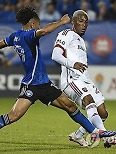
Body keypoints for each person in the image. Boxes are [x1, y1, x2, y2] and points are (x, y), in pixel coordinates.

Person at [0, 7, 116, 149]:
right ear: (32, 24)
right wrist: (61, 22)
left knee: (70, 106)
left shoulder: (15, 36)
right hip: (32, 85)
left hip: (45, 84)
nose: (39, 26)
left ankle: (97, 132)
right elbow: (43, 31)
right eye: (37, 23)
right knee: (13, 115)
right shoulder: (28, 35)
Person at [51, 10, 115, 148]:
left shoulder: (80, 40)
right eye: (80, 21)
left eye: (86, 22)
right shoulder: (66, 34)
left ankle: (78, 135)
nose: (84, 24)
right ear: (73, 22)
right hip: (71, 80)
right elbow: (55, 55)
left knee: (103, 112)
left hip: (85, 80)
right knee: (88, 101)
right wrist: (72, 64)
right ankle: (104, 135)